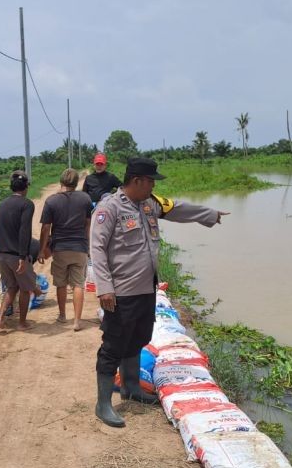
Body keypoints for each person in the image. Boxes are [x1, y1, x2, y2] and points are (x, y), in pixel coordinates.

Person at [90, 157, 229, 427]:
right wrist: (104, 287)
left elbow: (177, 209)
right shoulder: (110, 208)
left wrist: (209, 215)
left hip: (145, 288)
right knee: (114, 345)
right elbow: (96, 248)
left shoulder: (149, 203)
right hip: (120, 291)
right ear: (137, 181)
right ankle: (103, 404)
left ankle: (131, 388)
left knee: (138, 337)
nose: (154, 185)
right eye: (151, 180)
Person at [38, 168, 93, 331]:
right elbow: (88, 224)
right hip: (80, 247)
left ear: (61, 181)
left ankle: (62, 316)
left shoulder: (52, 201)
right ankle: (77, 321)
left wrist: (42, 249)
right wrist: (87, 245)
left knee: (61, 283)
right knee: (78, 284)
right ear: (76, 183)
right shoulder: (85, 199)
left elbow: (45, 228)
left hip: (60, 248)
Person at [0, 170, 36, 330]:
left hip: (1, 253)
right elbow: (24, 231)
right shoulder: (27, 204)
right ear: (25, 187)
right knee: (25, 288)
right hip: (15, 255)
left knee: (11, 286)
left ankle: (0, 317)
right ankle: (22, 323)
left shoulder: (2, 203)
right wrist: (23, 257)